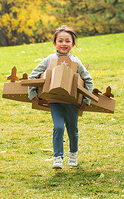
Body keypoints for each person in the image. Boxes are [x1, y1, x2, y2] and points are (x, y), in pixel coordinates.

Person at [28, 25, 93, 169]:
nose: (64, 44)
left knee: (72, 130)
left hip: (71, 102)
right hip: (55, 101)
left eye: (67, 41)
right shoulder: (49, 60)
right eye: (60, 41)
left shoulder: (76, 61)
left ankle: (73, 155)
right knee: (58, 127)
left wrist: (86, 100)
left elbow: (88, 80)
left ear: (73, 44)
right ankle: (57, 157)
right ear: (54, 43)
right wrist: (33, 94)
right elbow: (33, 75)